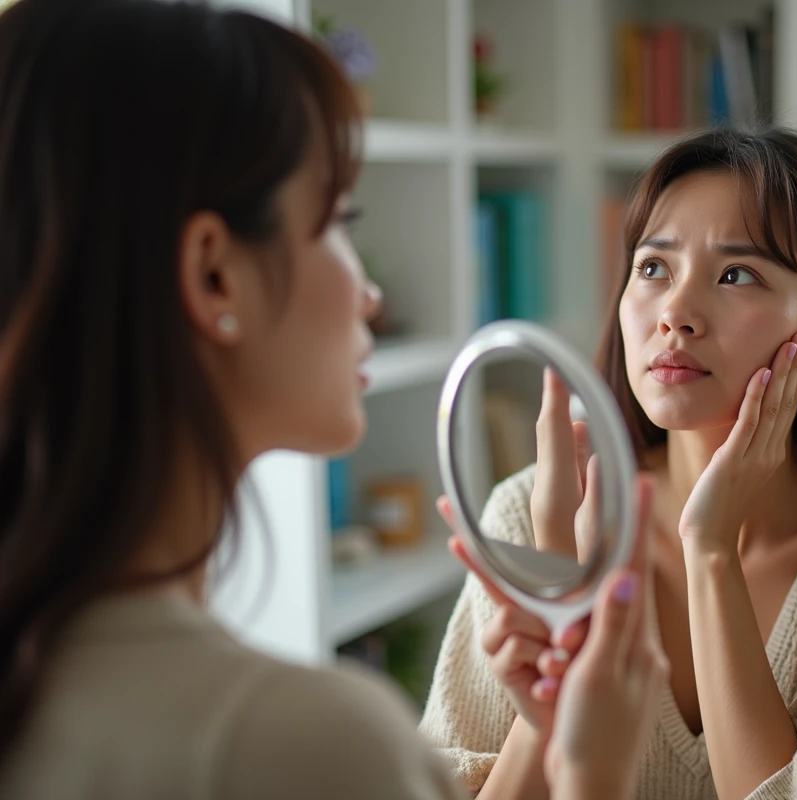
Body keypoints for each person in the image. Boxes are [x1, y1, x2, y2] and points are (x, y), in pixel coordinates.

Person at [0, 1, 665, 798]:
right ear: (216, 274)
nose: (373, 293)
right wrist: (597, 776)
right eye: (337, 221)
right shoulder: (298, 744)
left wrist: (541, 733)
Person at [420, 128, 797, 799]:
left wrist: (710, 548)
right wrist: (550, 708)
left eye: (737, 274)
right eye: (654, 268)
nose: (676, 313)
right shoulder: (533, 514)